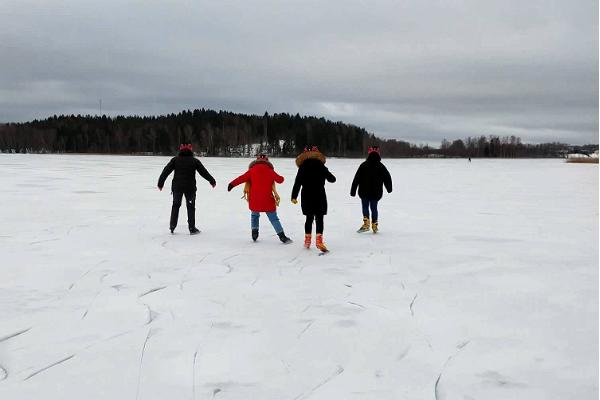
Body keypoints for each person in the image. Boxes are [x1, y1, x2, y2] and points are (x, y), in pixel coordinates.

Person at [227, 154, 292, 243]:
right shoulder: (270, 171)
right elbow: (280, 180)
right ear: (267, 161)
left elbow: (241, 178)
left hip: (254, 200)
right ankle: (282, 236)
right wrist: (278, 176)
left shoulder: (251, 170)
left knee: (254, 216)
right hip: (267, 200)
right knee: (273, 218)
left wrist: (231, 185)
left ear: (256, 161)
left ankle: (254, 234)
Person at [157, 143, 216, 235]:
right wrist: (212, 181)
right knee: (190, 207)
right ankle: (192, 228)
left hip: (177, 187)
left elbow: (166, 171)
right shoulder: (194, 161)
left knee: (175, 206)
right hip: (190, 188)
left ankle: (172, 226)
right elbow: (203, 172)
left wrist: (160, 183)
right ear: (190, 151)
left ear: (180, 151)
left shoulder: (175, 160)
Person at [291, 146, 336, 251]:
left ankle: (307, 241)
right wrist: (326, 173)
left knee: (309, 218)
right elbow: (332, 179)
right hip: (319, 194)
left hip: (306, 195)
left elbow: (297, 183)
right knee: (319, 218)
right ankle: (319, 241)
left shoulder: (302, 167)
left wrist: (294, 196)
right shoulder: (320, 165)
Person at [350, 146, 392, 233]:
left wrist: (353, 190)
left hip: (364, 191)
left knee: (365, 206)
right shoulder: (381, 166)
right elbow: (387, 177)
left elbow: (356, 178)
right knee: (374, 208)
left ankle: (366, 224)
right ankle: (374, 224)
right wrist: (389, 188)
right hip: (376, 192)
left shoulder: (363, 165)